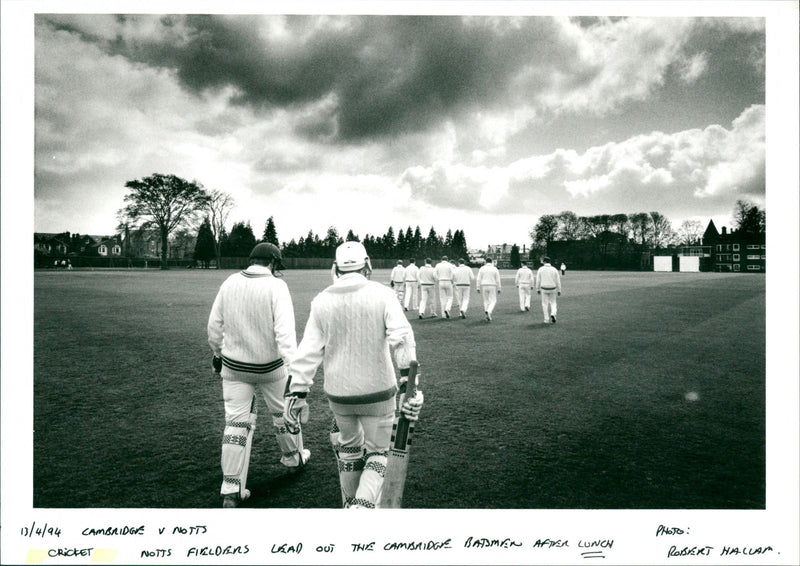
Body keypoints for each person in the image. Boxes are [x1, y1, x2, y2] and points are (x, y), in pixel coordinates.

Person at [284, 241, 424, 509]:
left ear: (335, 267)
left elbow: (308, 352)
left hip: (339, 395)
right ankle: (360, 507)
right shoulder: (383, 294)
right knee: (379, 453)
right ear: (367, 265)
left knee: (348, 450)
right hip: (379, 392)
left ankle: (350, 505)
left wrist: (296, 393)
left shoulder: (321, 300)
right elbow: (402, 340)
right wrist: (410, 386)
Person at [207, 242, 309, 508]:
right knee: (283, 414)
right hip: (271, 368)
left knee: (236, 425)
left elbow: (214, 327)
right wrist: (296, 374)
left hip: (234, 367)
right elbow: (285, 336)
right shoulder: (277, 286)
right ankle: (293, 458)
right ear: (273, 263)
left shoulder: (229, 282)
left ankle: (231, 488)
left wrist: (217, 354)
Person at [535, 256, 562, 324]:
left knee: (545, 304)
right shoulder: (554, 269)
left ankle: (546, 319)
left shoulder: (541, 269)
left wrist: (537, 288)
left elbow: (538, 280)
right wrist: (559, 290)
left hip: (544, 288)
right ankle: (553, 313)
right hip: (553, 288)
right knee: (553, 303)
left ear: (544, 261)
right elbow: (558, 281)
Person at [476, 256, 501, 322]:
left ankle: (488, 315)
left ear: (485, 261)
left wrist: (478, 287)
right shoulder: (494, 269)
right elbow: (498, 279)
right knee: (493, 300)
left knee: (486, 301)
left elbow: (478, 278)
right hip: (492, 285)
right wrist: (499, 288)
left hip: (484, 285)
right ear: (491, 261)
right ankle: (489, 311)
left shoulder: (482, 268)